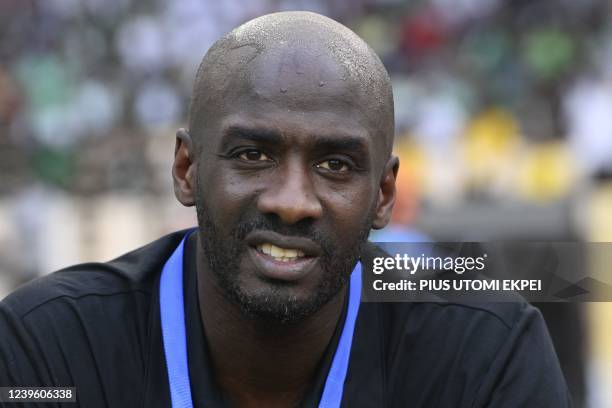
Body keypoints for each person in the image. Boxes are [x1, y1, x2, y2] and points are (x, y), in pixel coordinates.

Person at [0, 12, 571, 408]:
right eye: (252, 154)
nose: (292, 202)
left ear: (384, 195)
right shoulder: (47, 350)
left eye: (336, 166)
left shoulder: (485, 355)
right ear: (187, 169)